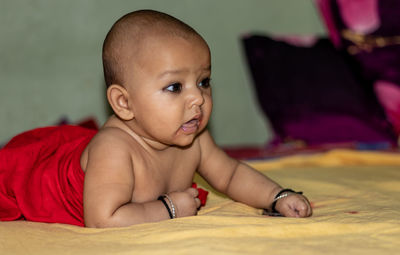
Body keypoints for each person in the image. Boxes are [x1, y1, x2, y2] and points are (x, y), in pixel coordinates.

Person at [0, 9, 312, 228]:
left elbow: (229, 175)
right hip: (38, 177)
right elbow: (102, 219)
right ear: (124, 103)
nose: (197, 98)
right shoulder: (115, 149)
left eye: (204, 81)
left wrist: (276, 196)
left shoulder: (195, 137)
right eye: (175, 87)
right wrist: (170, 209)